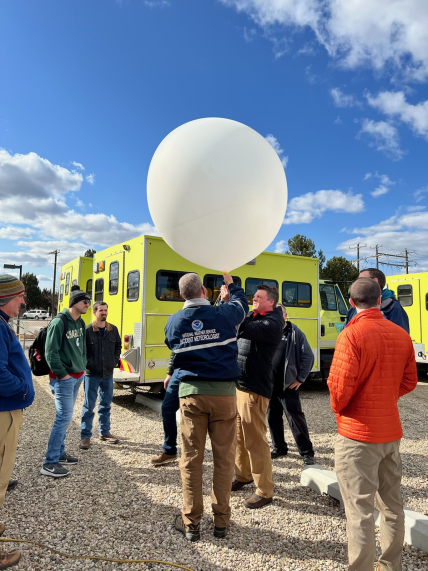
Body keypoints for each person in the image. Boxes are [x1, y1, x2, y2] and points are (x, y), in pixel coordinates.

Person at [328, 277, 418, 571]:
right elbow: (409, 381)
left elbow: (339, 392)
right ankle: (391, 565)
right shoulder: (401, 334)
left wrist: (345, 408)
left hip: (357, 435)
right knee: (392, 506)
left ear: (351, 303)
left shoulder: (351, 334)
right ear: (381, 299)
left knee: (360, 511)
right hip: (390, 432)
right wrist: (386, 396)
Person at [164, 272, 248, 541]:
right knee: (224, 460)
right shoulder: (223, 313)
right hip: (224, 396)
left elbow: (173, 347)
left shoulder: (173, 321)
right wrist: (231, 285)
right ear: (203, 289)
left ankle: (192, 523)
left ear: (181, 295)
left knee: (191, 460)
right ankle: (221, 522)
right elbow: (242, 304)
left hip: (191, 396)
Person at [229, 285, 284, 509]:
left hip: (254, 389)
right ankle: (244, 475)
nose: (254, 299)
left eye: (259, 297)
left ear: (271, 302)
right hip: (241, 385)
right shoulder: (256, 316)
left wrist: (233, 300)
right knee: (239, 436)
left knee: (255, 441)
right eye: (254, 296)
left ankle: (265, 490)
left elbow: (241, 326)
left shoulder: (272, 323)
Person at [0, 274, 35, 569]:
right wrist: (22, 387)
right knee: (0, 475)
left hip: (6, 409)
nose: (24, 302)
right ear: (4, 298)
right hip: (4, 412)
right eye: (19, 297)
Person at [41, 288, 90, 478]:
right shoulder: (58, 322)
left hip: (78, 376)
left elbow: (83, 347)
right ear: (74, 302)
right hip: (64, 378)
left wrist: (83, 365)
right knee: (63, 418)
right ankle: (49, 462)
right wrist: (63, 375)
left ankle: (60, 454)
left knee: (66, 417)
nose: (88, 304)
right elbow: (50, 353)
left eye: (88, 301)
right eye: (84, 301)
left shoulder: (80, 322)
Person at [267, 304, 315, 465]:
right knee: (272, 417)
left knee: (295, 417)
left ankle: (306, 452)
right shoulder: (267, 331)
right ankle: (279, 448)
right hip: (269, 384)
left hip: (288, 385)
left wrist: (300, 378)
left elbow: (308, 356)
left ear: (285, 316)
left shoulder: (294, 332)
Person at [80, 302, 121, 450]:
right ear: (94, 312)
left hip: (108, 374)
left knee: (106, 405)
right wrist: (88, 364)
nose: (104, 313)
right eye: (101, 310)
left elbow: (118, 346)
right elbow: (82, 351)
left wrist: (114, 361)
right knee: (89, 406)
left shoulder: (113, 330)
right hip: (92, 374)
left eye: (105, 310)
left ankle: (104, 432)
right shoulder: (88, 330)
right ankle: (85, 436)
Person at [345, 268, 409, 332]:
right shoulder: (353, 309)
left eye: (361, 279)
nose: (357, 283)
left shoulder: (392, 306)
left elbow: (400, 335)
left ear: (375, 281)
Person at [150, 353, 180, 466]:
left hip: (197, 372)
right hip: (178, 371)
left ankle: (193, 456)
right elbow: (175, 348)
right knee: (167, 408)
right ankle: (170, 451)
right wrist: (170, 373)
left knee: (194, 414)